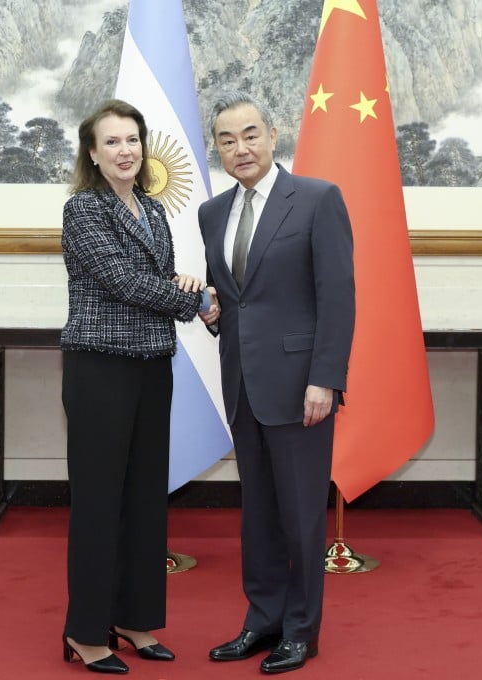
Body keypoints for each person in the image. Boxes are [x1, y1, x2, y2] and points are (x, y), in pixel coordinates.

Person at [198, 91, 355, 674]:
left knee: (301, 514)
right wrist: (215, 317)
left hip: (301, 389)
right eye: (227, 139)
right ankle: (261, 621)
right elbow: (236, 300)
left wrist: (326, 379)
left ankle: (300, 630)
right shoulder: (212, 213)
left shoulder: (316, 199)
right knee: (258, 513)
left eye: (250, 134)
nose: (240, 148)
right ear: (217, 147)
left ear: (273, 135)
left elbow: (338, 298)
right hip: (242, 383)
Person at [60, 99, 215, 674]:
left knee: (146, 499)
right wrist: (195, 300)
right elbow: (124, 281)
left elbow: (154, 279)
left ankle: (133, 619)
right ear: (94, 154)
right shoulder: (84, 210)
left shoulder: (152, 210)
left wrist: (183, 289)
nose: (126, 151)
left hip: (152, 367)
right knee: (100, 503)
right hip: (100, 369)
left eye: (133, 140)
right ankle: (86, 632)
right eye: (113, 142)